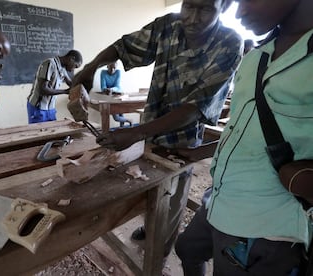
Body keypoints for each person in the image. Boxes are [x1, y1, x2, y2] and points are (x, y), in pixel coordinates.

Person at [73, 0, 243, 261]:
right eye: (189, 6)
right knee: (146, 186)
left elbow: (193, 108)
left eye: (206, 9)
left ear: (225, 7)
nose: (193, 18)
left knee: (171, 202)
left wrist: (135, 132)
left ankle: (159, 256)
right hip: (149, 134)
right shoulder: (168, 25)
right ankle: (149, 224)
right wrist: (88, 71)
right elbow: (123, 47)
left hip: (182, 141)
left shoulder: (229, 43)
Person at [175, 0, 313, 275]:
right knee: (187, 249)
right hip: (221, 196)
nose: (239, 13)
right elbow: (240, 127)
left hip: (267, 223)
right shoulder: (255, 56)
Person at [27, 50, 83, 124]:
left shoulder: (62, 68)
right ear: (71, 59)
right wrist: (65, 91)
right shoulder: (50, 64)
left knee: (52, 132)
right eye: (75, 66)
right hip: (38, 108)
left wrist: (82, 89)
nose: (73, 69)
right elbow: (42, 89)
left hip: (50, 109)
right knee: (39, 132)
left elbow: (71, 83)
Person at [100, 62, 132, 127]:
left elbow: (117, 86)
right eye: (111, 68)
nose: (112, 70)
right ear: (107, 66)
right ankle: (129, 120)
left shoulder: (118, 72)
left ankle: (122, 130)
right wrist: (107, 90)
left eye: (114, 68)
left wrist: (111, 89)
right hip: (110, 97)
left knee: (121, 114)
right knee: (116, 118)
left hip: (119, 95)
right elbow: (103, 87)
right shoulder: (103, 73)